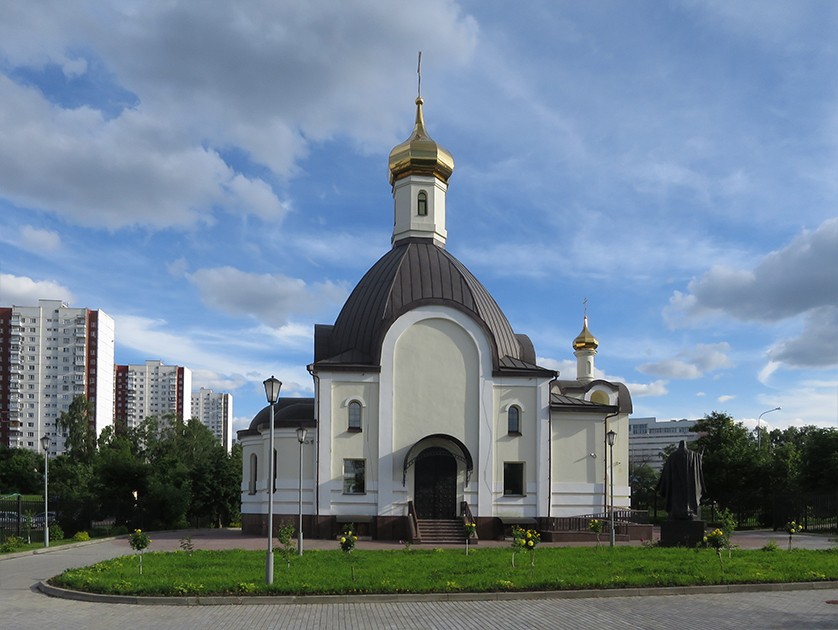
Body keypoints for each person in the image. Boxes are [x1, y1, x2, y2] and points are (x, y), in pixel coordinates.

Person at [657, 440, 706, 520]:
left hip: (675, 484)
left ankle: (675, 512)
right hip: (689, 484)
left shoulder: (672, 456)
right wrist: (700, 455)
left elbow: (666, 471)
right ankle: (689, 511)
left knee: (676, 498)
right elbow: (697, 461)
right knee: (688, 498)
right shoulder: (692, 455)